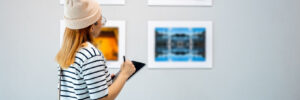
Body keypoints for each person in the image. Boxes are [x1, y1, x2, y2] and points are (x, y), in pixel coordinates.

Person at [55, 0, 136, 99]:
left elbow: (67, 92)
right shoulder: (90, 54)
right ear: (92, 27)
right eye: (101, 20)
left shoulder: (66, 52)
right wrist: (124, 74)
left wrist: (101, 83)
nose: (102, 25)